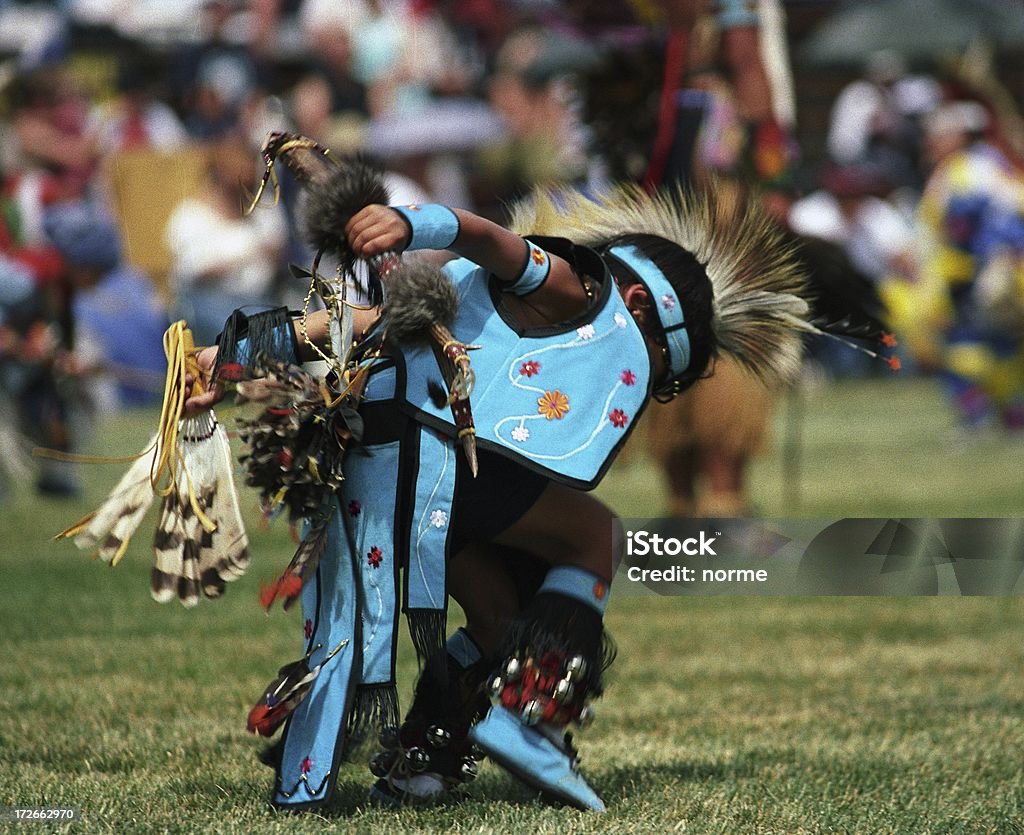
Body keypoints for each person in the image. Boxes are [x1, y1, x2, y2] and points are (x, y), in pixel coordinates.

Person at [184, 149, 813, 812]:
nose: (642, 374)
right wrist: (412, 223)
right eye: (654, 355)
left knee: (499, 616)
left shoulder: (465, 304)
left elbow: (357, 327)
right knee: (594, 536)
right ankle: (529, 715)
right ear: (636, 301)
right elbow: (487, 237)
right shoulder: (576, 286)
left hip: (398, 466)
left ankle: (418, 762)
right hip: (434, 461)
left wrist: (230, 357)